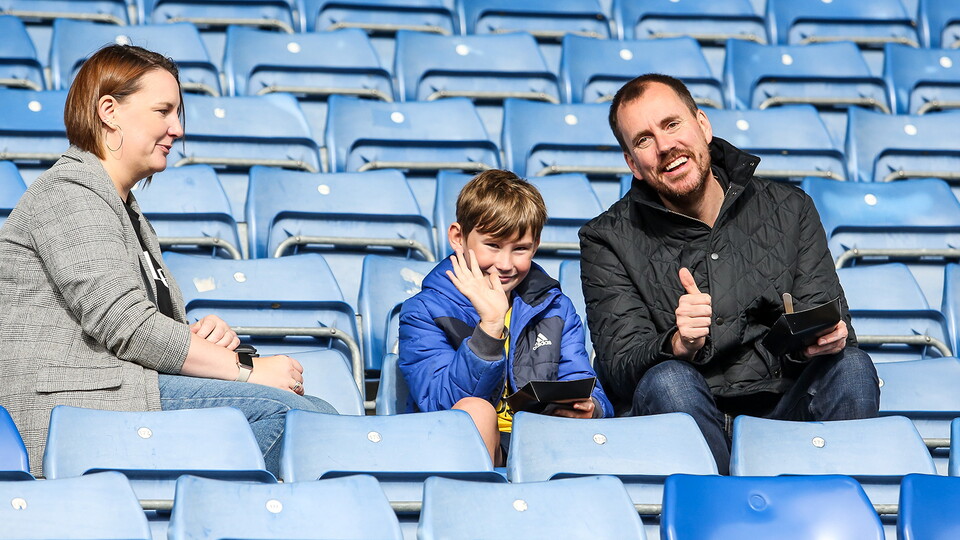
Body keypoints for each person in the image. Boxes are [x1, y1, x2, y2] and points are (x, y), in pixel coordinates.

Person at [0, 45, 335, 477]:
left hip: (120, 392)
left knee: (318, 411)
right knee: (290, 418)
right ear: (109, 111)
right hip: (76, 410)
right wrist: (245, 370)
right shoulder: (69, 193)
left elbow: (132, 327)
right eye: (164, 111)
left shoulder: (123, 208)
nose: (177, 129)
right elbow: (128, 327)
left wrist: (196, 337)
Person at [579, 74, 879, 474]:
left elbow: (829, 321)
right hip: (685, 408)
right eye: (644, 140)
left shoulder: (790, 208)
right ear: (633, 164)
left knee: (852, 367)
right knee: (669, 380)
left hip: (784, 409)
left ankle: (835, 514)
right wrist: (678, 343)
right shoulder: (606, 238)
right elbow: (618, 367)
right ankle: (717, 513)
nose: (665, 146)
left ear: (702, 125)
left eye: (672, 124)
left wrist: (821, 340)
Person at [398, 170, 613, 465]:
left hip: (542, 445)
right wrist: (489, 328)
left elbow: (581, 380)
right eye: (493, 246)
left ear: (535, 245)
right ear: (458, 238)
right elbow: (441, 404)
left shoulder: (556, 308)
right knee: (478, 411)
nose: (505, 264)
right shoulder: (423, 312)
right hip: (458, 452)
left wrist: (591, 406)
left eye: (521, 249)